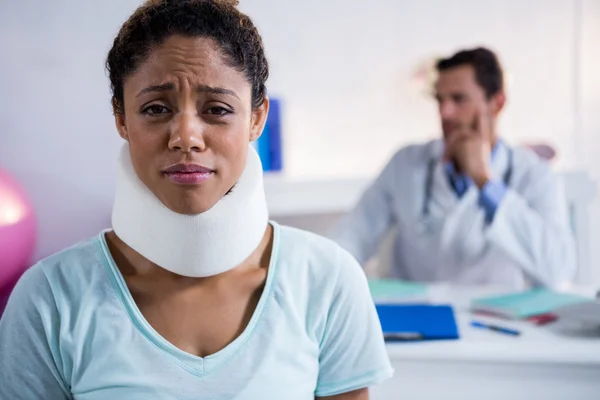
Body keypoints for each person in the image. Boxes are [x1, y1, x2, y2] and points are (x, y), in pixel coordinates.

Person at [0, 1, 392, 399]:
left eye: (217, 109)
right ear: (121, 117)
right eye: (155, 108)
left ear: (257, 117)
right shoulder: (48, 299)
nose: (185, 136)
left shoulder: (326, 281)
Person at [331, 47, 576, 288]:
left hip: (491, 320)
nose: (445, 112)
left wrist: (485, 183)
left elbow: (556, 269)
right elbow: (353, 235)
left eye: (459, 99)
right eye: (440, 100)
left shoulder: (533, 175)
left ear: (497, 103)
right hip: (412, 317)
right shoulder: (406, 163)